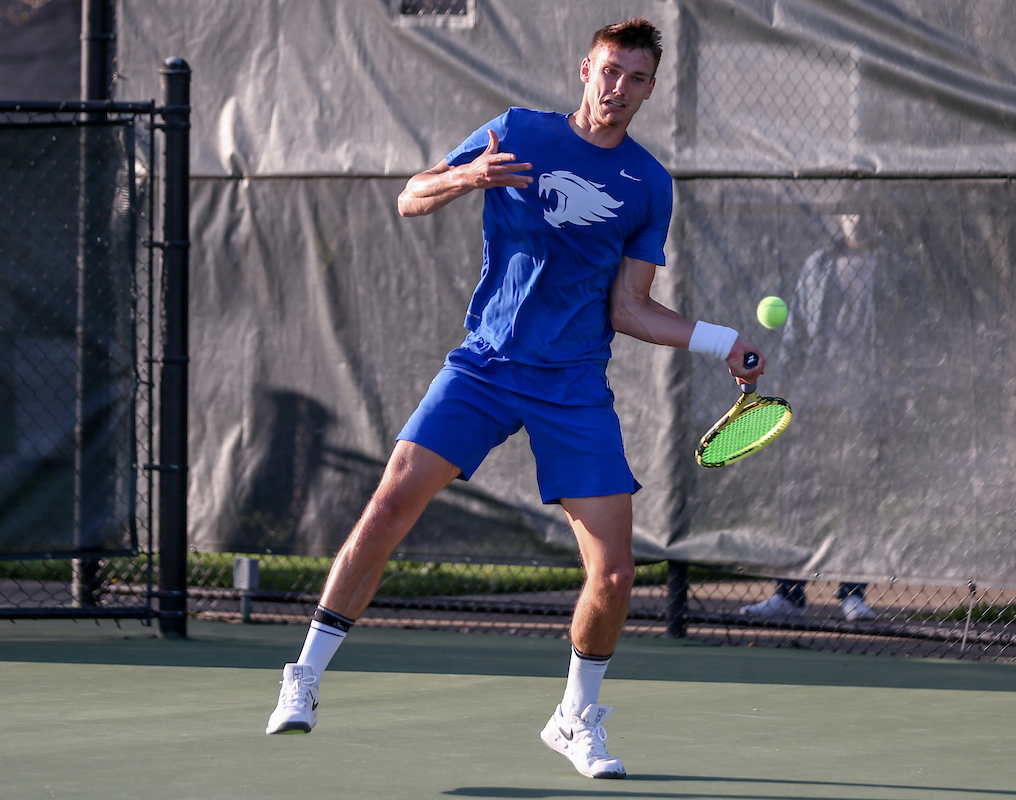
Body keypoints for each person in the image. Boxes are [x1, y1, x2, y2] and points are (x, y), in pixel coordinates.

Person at [264, 19, 764, 780]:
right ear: (584, 70)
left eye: (636, 79)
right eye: (609, 72)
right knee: (389, 505)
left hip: (572, 387)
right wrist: (469, 177)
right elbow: (410, 198)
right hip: (485, 366)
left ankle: (574, 719)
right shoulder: (517, 132)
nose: (619, 89)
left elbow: (630, 307)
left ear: (650, 90)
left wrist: (722, 339)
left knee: (618, 575)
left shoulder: (648, 184)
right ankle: (302, 677)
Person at [738, 208, 925, 624]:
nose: (856, 218)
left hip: (869, 399)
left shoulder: (895, 267)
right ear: (838, 216)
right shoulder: (818, 265)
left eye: (864, 209)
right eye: (847, 209)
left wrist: (902, 395)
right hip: (818, 396)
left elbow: (910, 337)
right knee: (798, 491)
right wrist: (784, 382)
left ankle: (853, 595)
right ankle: (789, 594)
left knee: (861, 495)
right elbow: (799, 330)